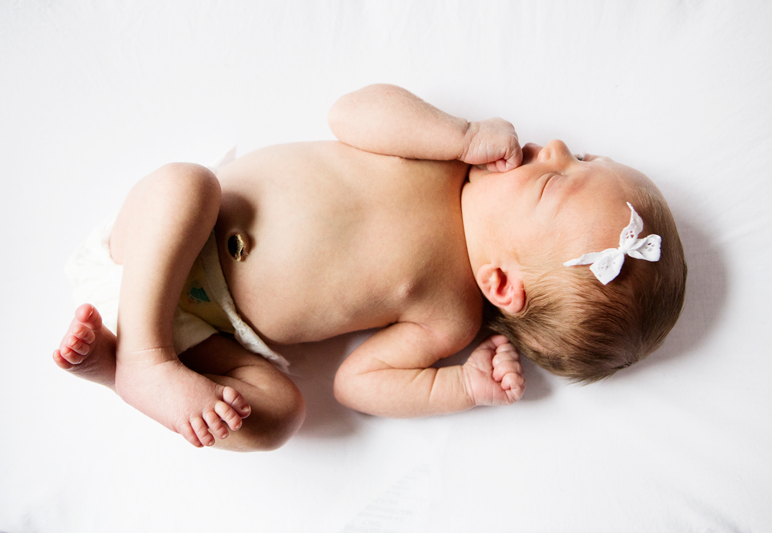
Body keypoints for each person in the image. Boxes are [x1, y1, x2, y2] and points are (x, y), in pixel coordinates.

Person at [52, 84, 686, 451]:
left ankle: (122, 364)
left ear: (501, 282)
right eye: (580, 156)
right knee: (185, 184)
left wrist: (461, 388)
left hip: (221, 336)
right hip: (172, 236)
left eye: (553, 181)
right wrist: (459, 134)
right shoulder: (440, 156)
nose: (550, 148)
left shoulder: (452, 316)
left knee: (280, 416)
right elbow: (349, 113)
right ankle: (145, 355)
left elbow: (358, 383)